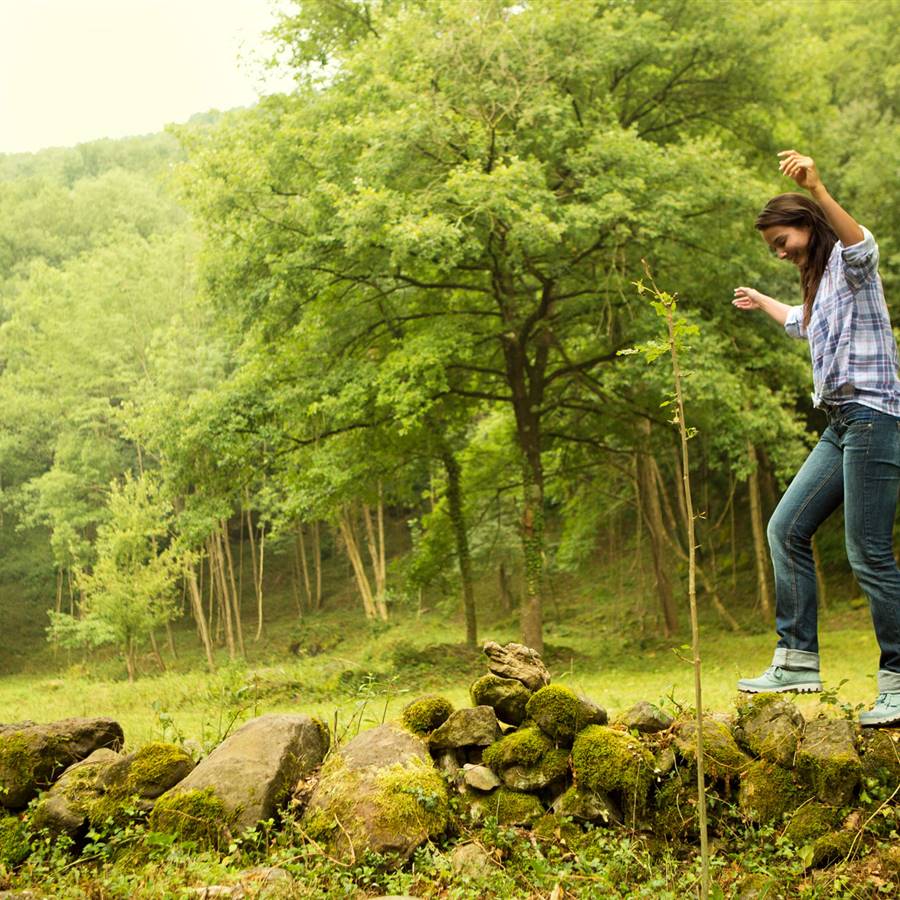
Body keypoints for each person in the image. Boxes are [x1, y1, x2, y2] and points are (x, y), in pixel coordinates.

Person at [732, 150, 900, 726]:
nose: (779, 251)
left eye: (782, 240)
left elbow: (862, 244)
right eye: (773, 247)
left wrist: (820, 187)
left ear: (807, 225)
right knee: (786, 528)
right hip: (841, 423)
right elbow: (802, 324)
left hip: (875, 416)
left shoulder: (850, 266)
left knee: (868, 553)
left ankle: (899, 680)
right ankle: (798, 660)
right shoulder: (822, 284)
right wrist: (761, 302)